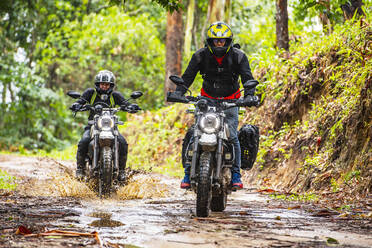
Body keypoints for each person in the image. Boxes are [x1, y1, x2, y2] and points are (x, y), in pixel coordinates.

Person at [174, 21, 259, 190]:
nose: (219, 44)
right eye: (216, 41)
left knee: (233, 136)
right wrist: (178, 93)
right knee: (196, 133)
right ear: (210, 42)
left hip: (231, 100)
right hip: (207, 99)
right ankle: (187, 172)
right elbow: (187, 77)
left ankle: (236, 175)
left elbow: (247, 78)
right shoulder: (200, 56)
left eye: (222, 41)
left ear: (228, 41)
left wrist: (249, 95)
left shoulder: (239, 56)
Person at [69, 70, 139, 182]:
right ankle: (80, 170)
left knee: (123, 143)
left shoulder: (115, 95)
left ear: (111, 86)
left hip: (110, 126)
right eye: (102, 84)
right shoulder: (90, 93)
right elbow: (81, 100)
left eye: (107, 85)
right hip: (93, 125)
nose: (104, 86)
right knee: (84, 141)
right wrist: (77, 105)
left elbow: (125, 103)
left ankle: (121, 171)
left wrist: (132, 107)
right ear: (98, 84)